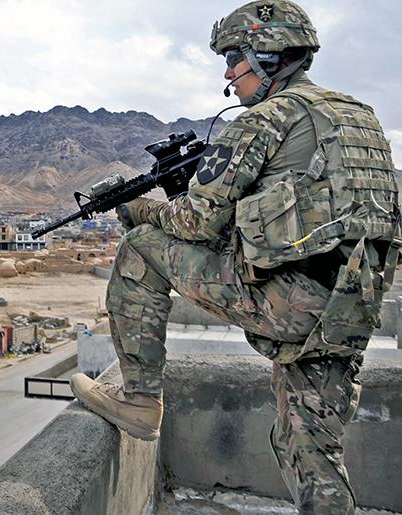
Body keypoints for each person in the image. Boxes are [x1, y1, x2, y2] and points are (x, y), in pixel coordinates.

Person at [70, 1, 399, 513]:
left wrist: (139, 210)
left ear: (267, 57)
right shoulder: (362, 120)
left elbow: (195, 222)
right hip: (349, 312)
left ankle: (138, 402)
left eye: (234, 57)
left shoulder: (265, 119)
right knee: (312, 452)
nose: (228, 73)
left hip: (289, 305)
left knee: (140, 250)